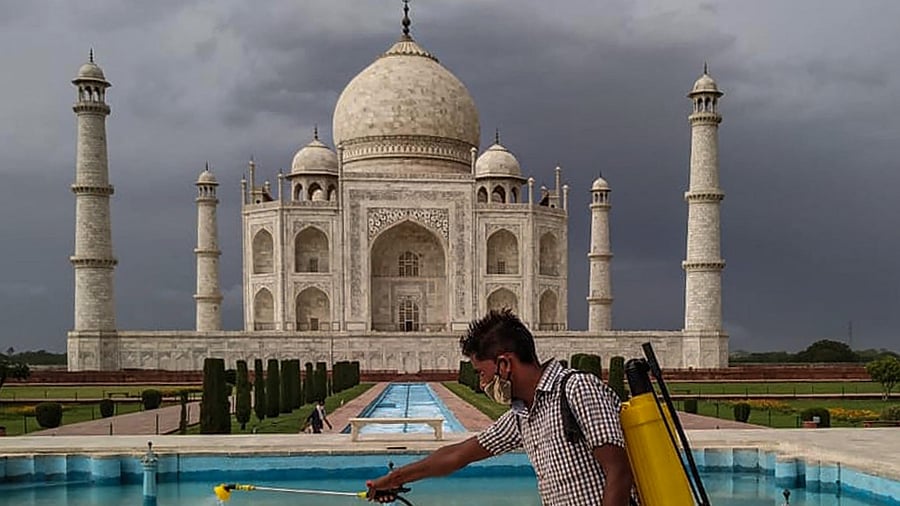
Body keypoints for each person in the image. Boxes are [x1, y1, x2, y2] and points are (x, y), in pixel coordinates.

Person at [366, 309, 637, 505]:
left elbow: (619, 472)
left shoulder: (576, 389)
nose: (482, 382)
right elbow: (460, 454)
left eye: (482, 373)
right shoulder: (524, 415)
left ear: (504, 364)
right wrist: (397, 477)